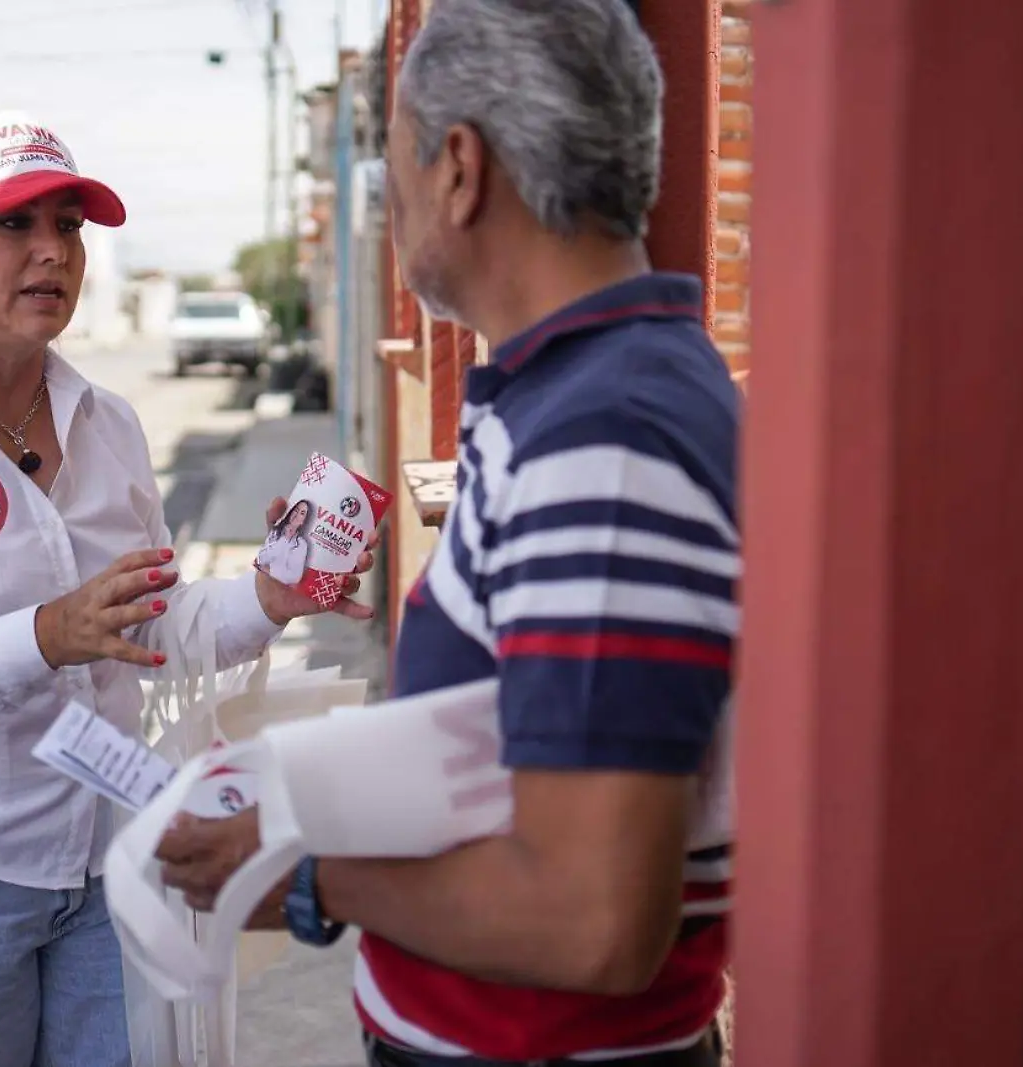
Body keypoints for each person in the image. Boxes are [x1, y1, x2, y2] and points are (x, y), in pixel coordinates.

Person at [155, 2, 739, 1064]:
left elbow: (593, 918)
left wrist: (302, 873)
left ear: (459, 168)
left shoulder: (602, 438)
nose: (390, 202)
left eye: (395, 164)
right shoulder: (581, 401)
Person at [0, 110, 376, 1067]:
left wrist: (269, 596)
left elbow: (144, 624)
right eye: (12, 224)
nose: (51, 251)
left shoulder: (108, 425)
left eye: (69, 225)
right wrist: (42, 635)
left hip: (105, 859)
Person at [255, 496, 315, 584]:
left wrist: (270, 571)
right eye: (296, 510)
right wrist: (284, 540)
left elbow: (294, 577)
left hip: (282, 591)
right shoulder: (276, 532)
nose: (296, 515)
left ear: (303, 521)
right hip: (261, 582)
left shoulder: (301, 545)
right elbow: (261, 559)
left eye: (302, 513)